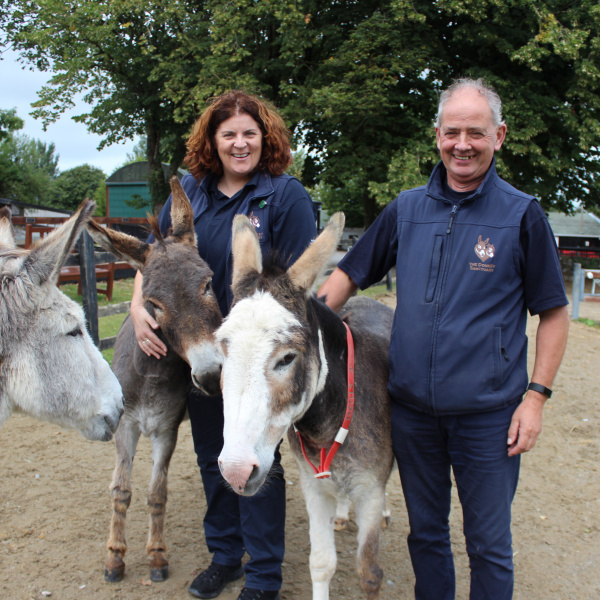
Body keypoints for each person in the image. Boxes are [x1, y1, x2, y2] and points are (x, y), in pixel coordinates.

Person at [318, 78, 570, 600]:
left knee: (487, 543)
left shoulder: (522, 215)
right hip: (412, 413)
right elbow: (350, 273)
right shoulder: (406, 209)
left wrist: (536, 398)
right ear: (436, 134)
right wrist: (304, 323)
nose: (462, 144)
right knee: (426, 535)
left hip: (490, 417)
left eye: (475, 133)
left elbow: (554, 314)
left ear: (498, 136)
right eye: (452, 131)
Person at [131, 90, 317, 600]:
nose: (240, 143)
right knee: (212, 451)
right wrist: (135, 307)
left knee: (257, 456)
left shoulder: (285, 196)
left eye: (249, 134)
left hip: (256, 358)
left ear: (266, 137)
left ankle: (263, 574)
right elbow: (158, 256)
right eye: (229, 134)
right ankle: (225, 555)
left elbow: (300, 287)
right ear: (212, 140)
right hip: (204, 352)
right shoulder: (190, 189)